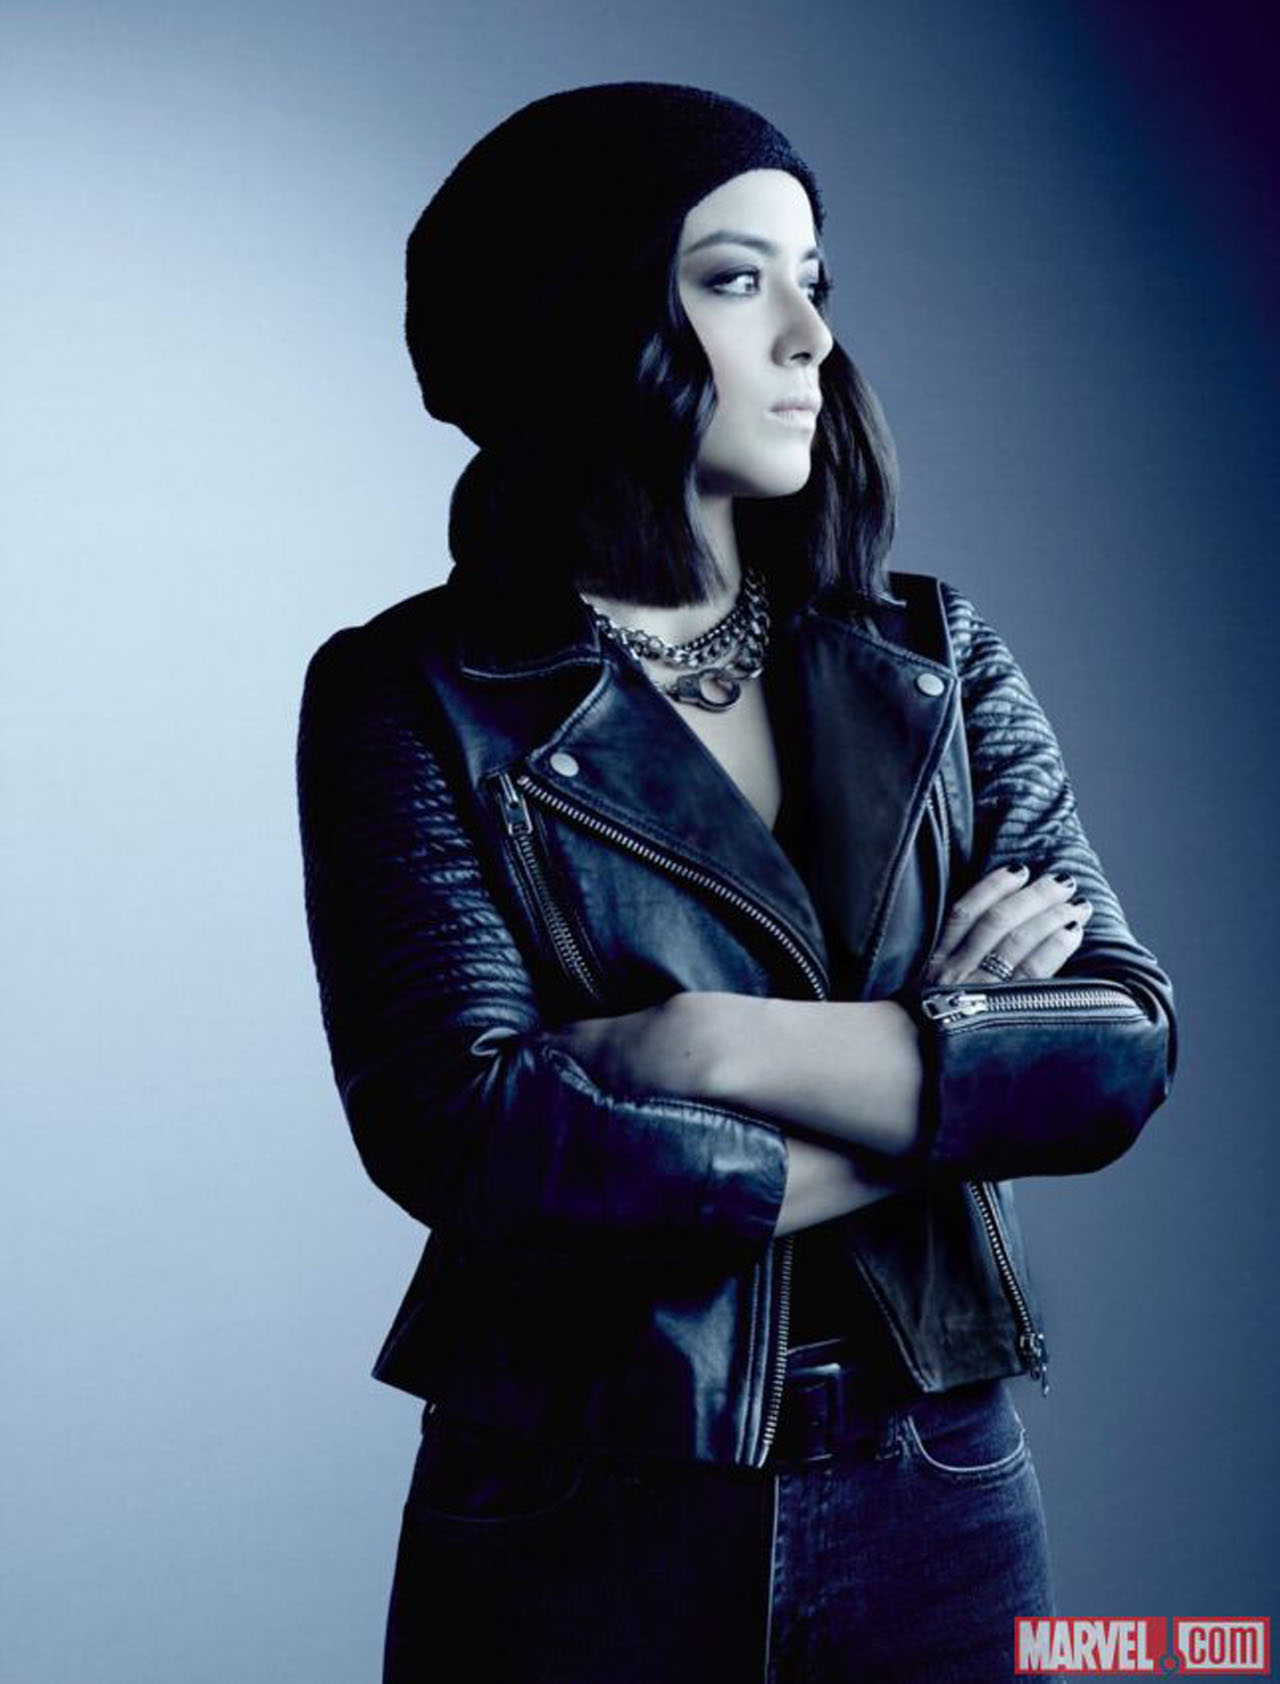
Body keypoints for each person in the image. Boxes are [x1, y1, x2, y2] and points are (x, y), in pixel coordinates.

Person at [296, 82, 1177, 1684]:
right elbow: (476, 1136)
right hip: (579, 1501)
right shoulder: (409, 697)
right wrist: (941, 1070)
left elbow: (1111, 1050)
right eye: (734, 278)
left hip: (942, 1485)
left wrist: (702, 1045)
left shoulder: (936, 656)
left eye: (813, 281)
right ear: (584, 318)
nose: (810, 338)